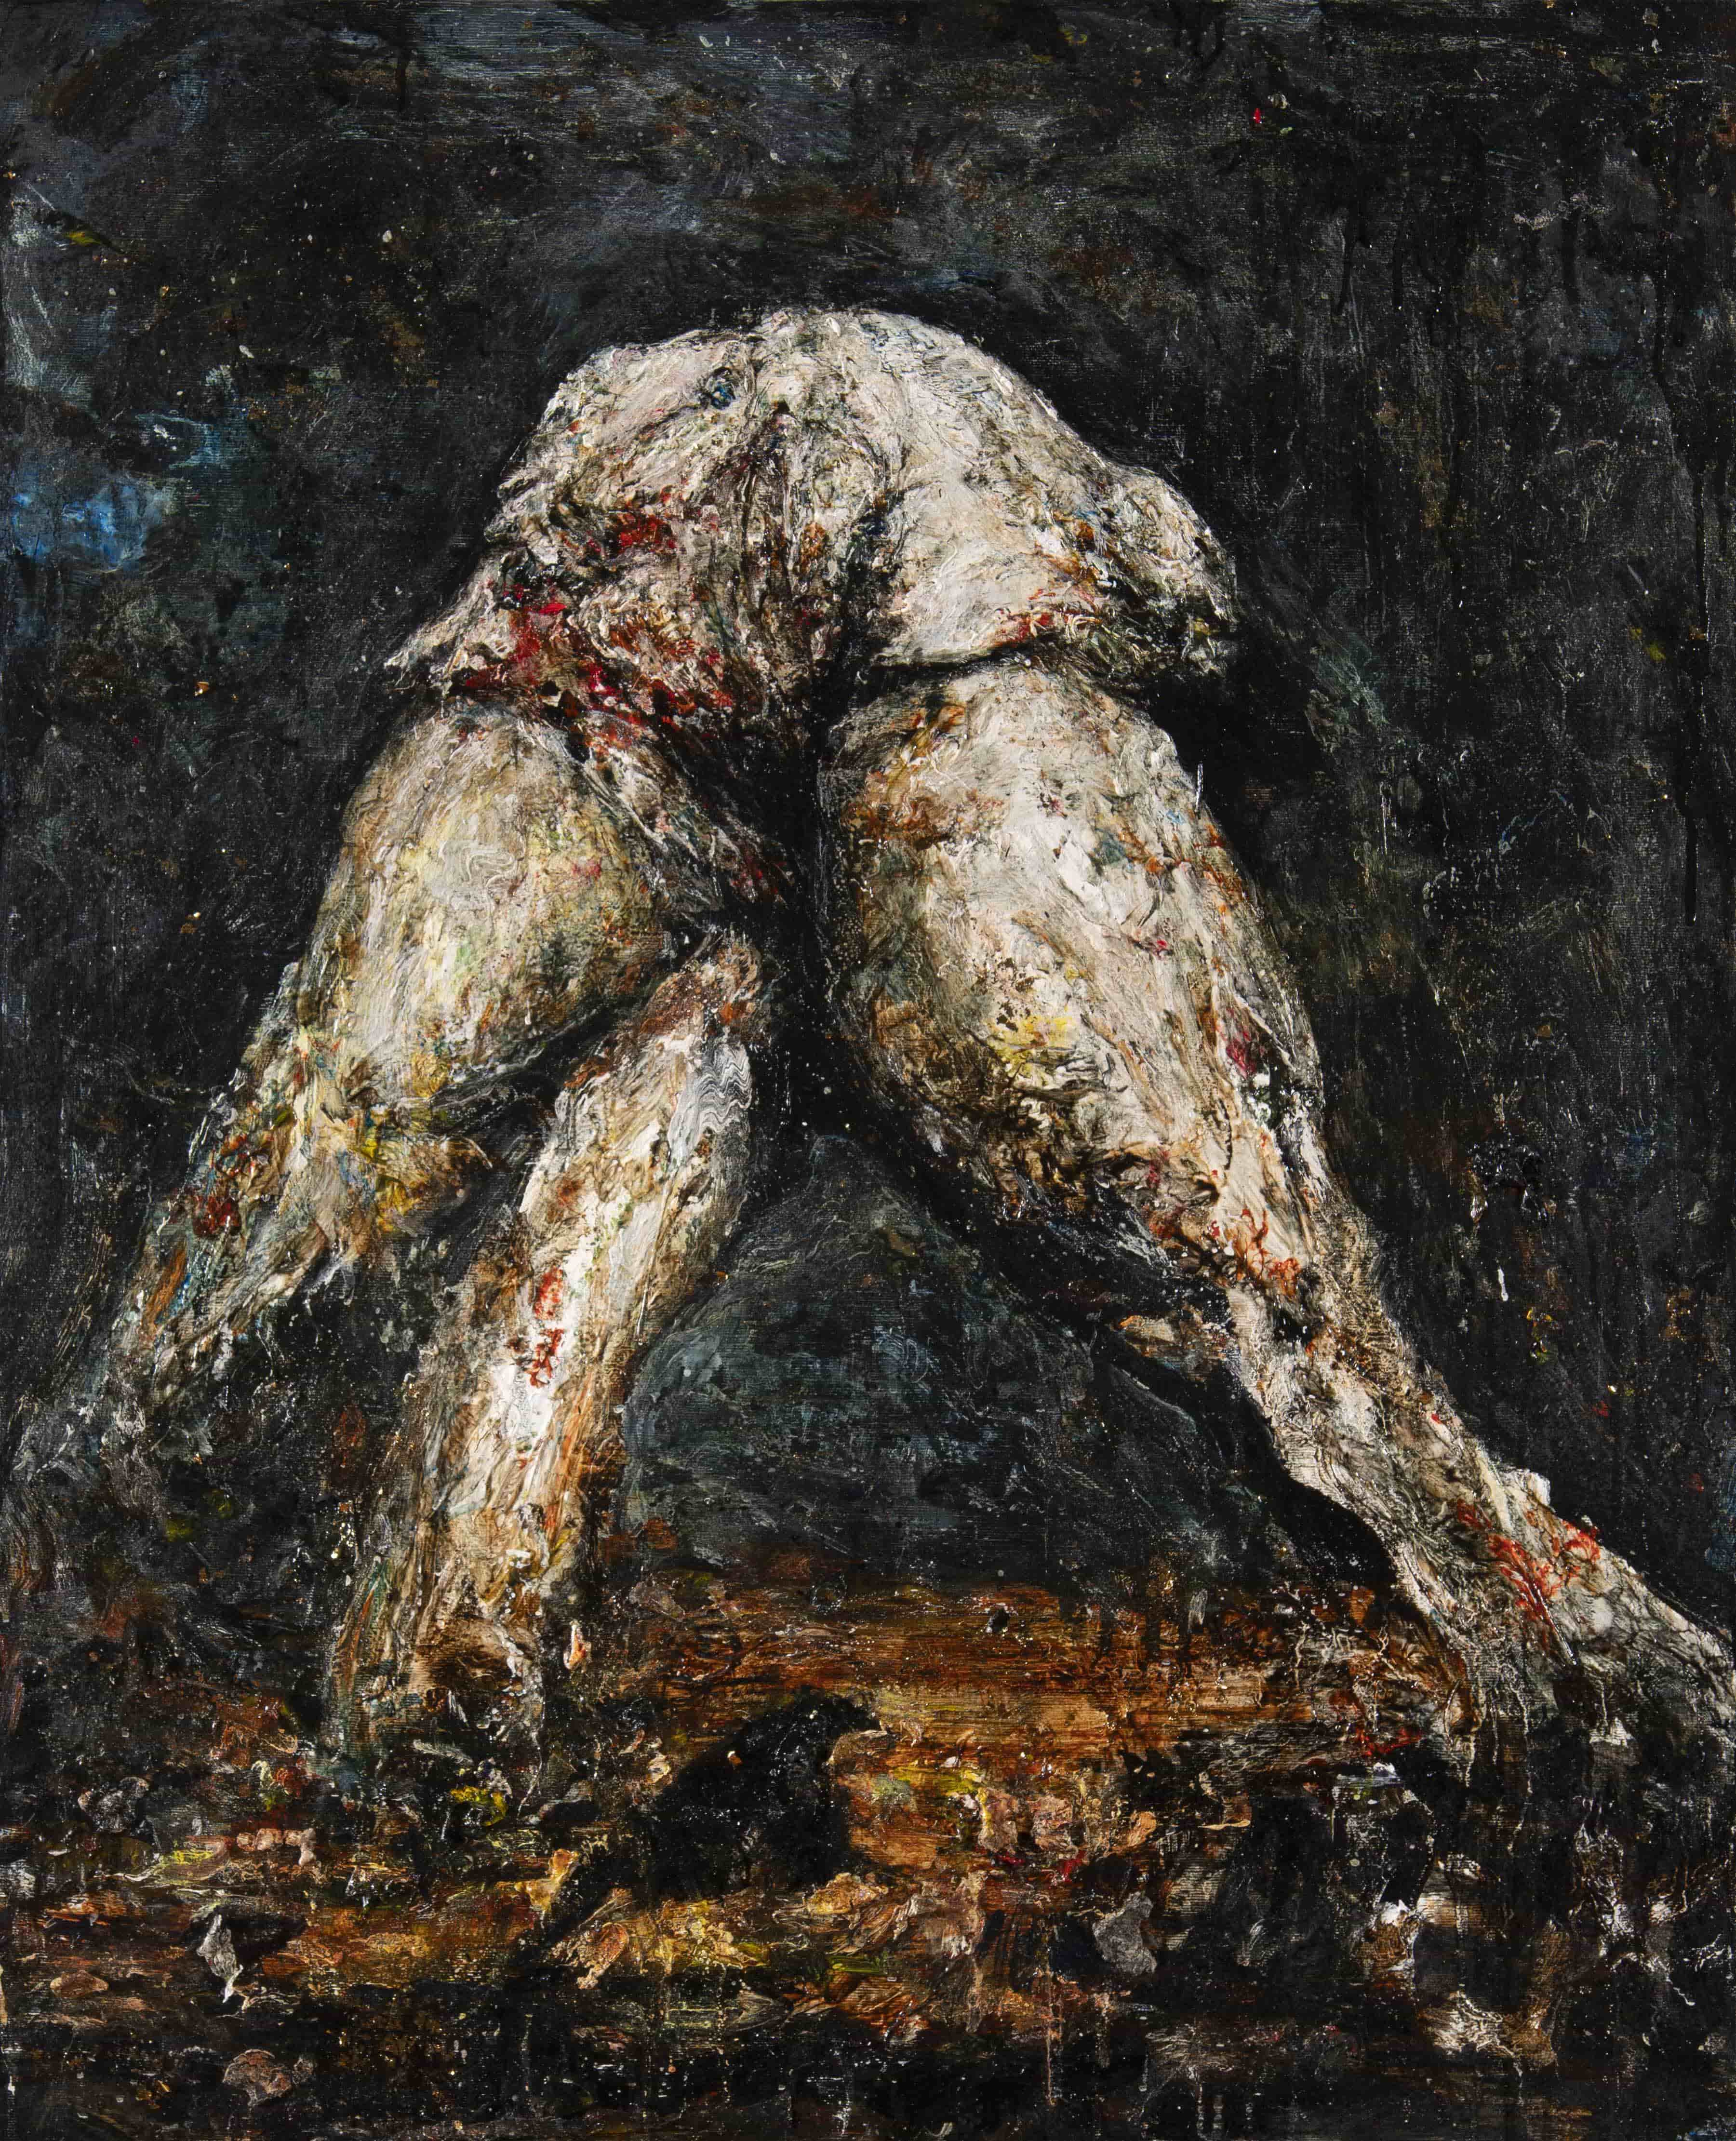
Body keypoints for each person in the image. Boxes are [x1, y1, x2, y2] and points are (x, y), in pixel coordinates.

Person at [6, 310, 1730, 1762]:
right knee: (354, 1146)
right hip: (671, 682)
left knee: (401, 1164)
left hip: (779, 675)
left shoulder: (973, 584)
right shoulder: (997, 544)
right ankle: (183, 1579)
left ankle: (352, 1631)